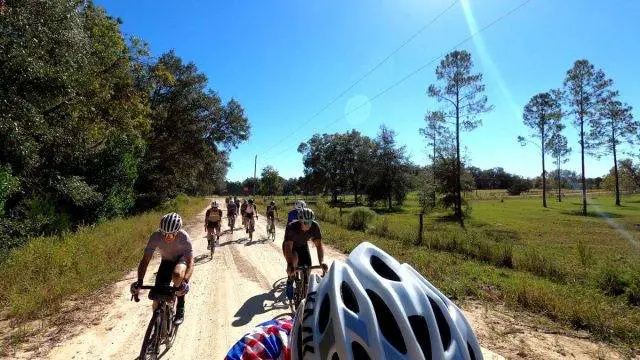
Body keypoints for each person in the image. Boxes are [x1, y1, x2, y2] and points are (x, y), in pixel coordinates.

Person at [225, 241, 483, 360]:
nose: (305, 224)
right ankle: (293, 281)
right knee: (296, 264)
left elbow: (318, 244)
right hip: (294, 248)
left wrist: (322, 259)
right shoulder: (294, 227)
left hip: (308, 247)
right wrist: (292, 267)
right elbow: (289, 247)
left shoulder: (312, 226)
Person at [130, 213, 193, 326]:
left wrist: (185, 281)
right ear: (161, 231)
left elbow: (190, 262)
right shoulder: (155, 236)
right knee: (156, 297)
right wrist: (139, 281)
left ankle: (180, 308)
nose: (167, 237)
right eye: (164, 234)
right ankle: (157, 326)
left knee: (177, 275)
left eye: (171, 234)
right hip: (166, 262)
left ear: (178, 231)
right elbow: (145, 261)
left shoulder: (184, 237)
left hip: (181, 260)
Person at [283, 208, 325, 300]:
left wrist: (321, 262)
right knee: (294, 261)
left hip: (302, 246)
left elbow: (319, 245)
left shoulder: (315, 226)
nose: (309, 225)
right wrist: (290, 264)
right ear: (300, 221)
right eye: (306, 222)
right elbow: (288, 247)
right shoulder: (291, 227)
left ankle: (304, 289)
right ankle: (290, 280)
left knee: (308, 267)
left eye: (310, 221)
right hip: (291, 247)